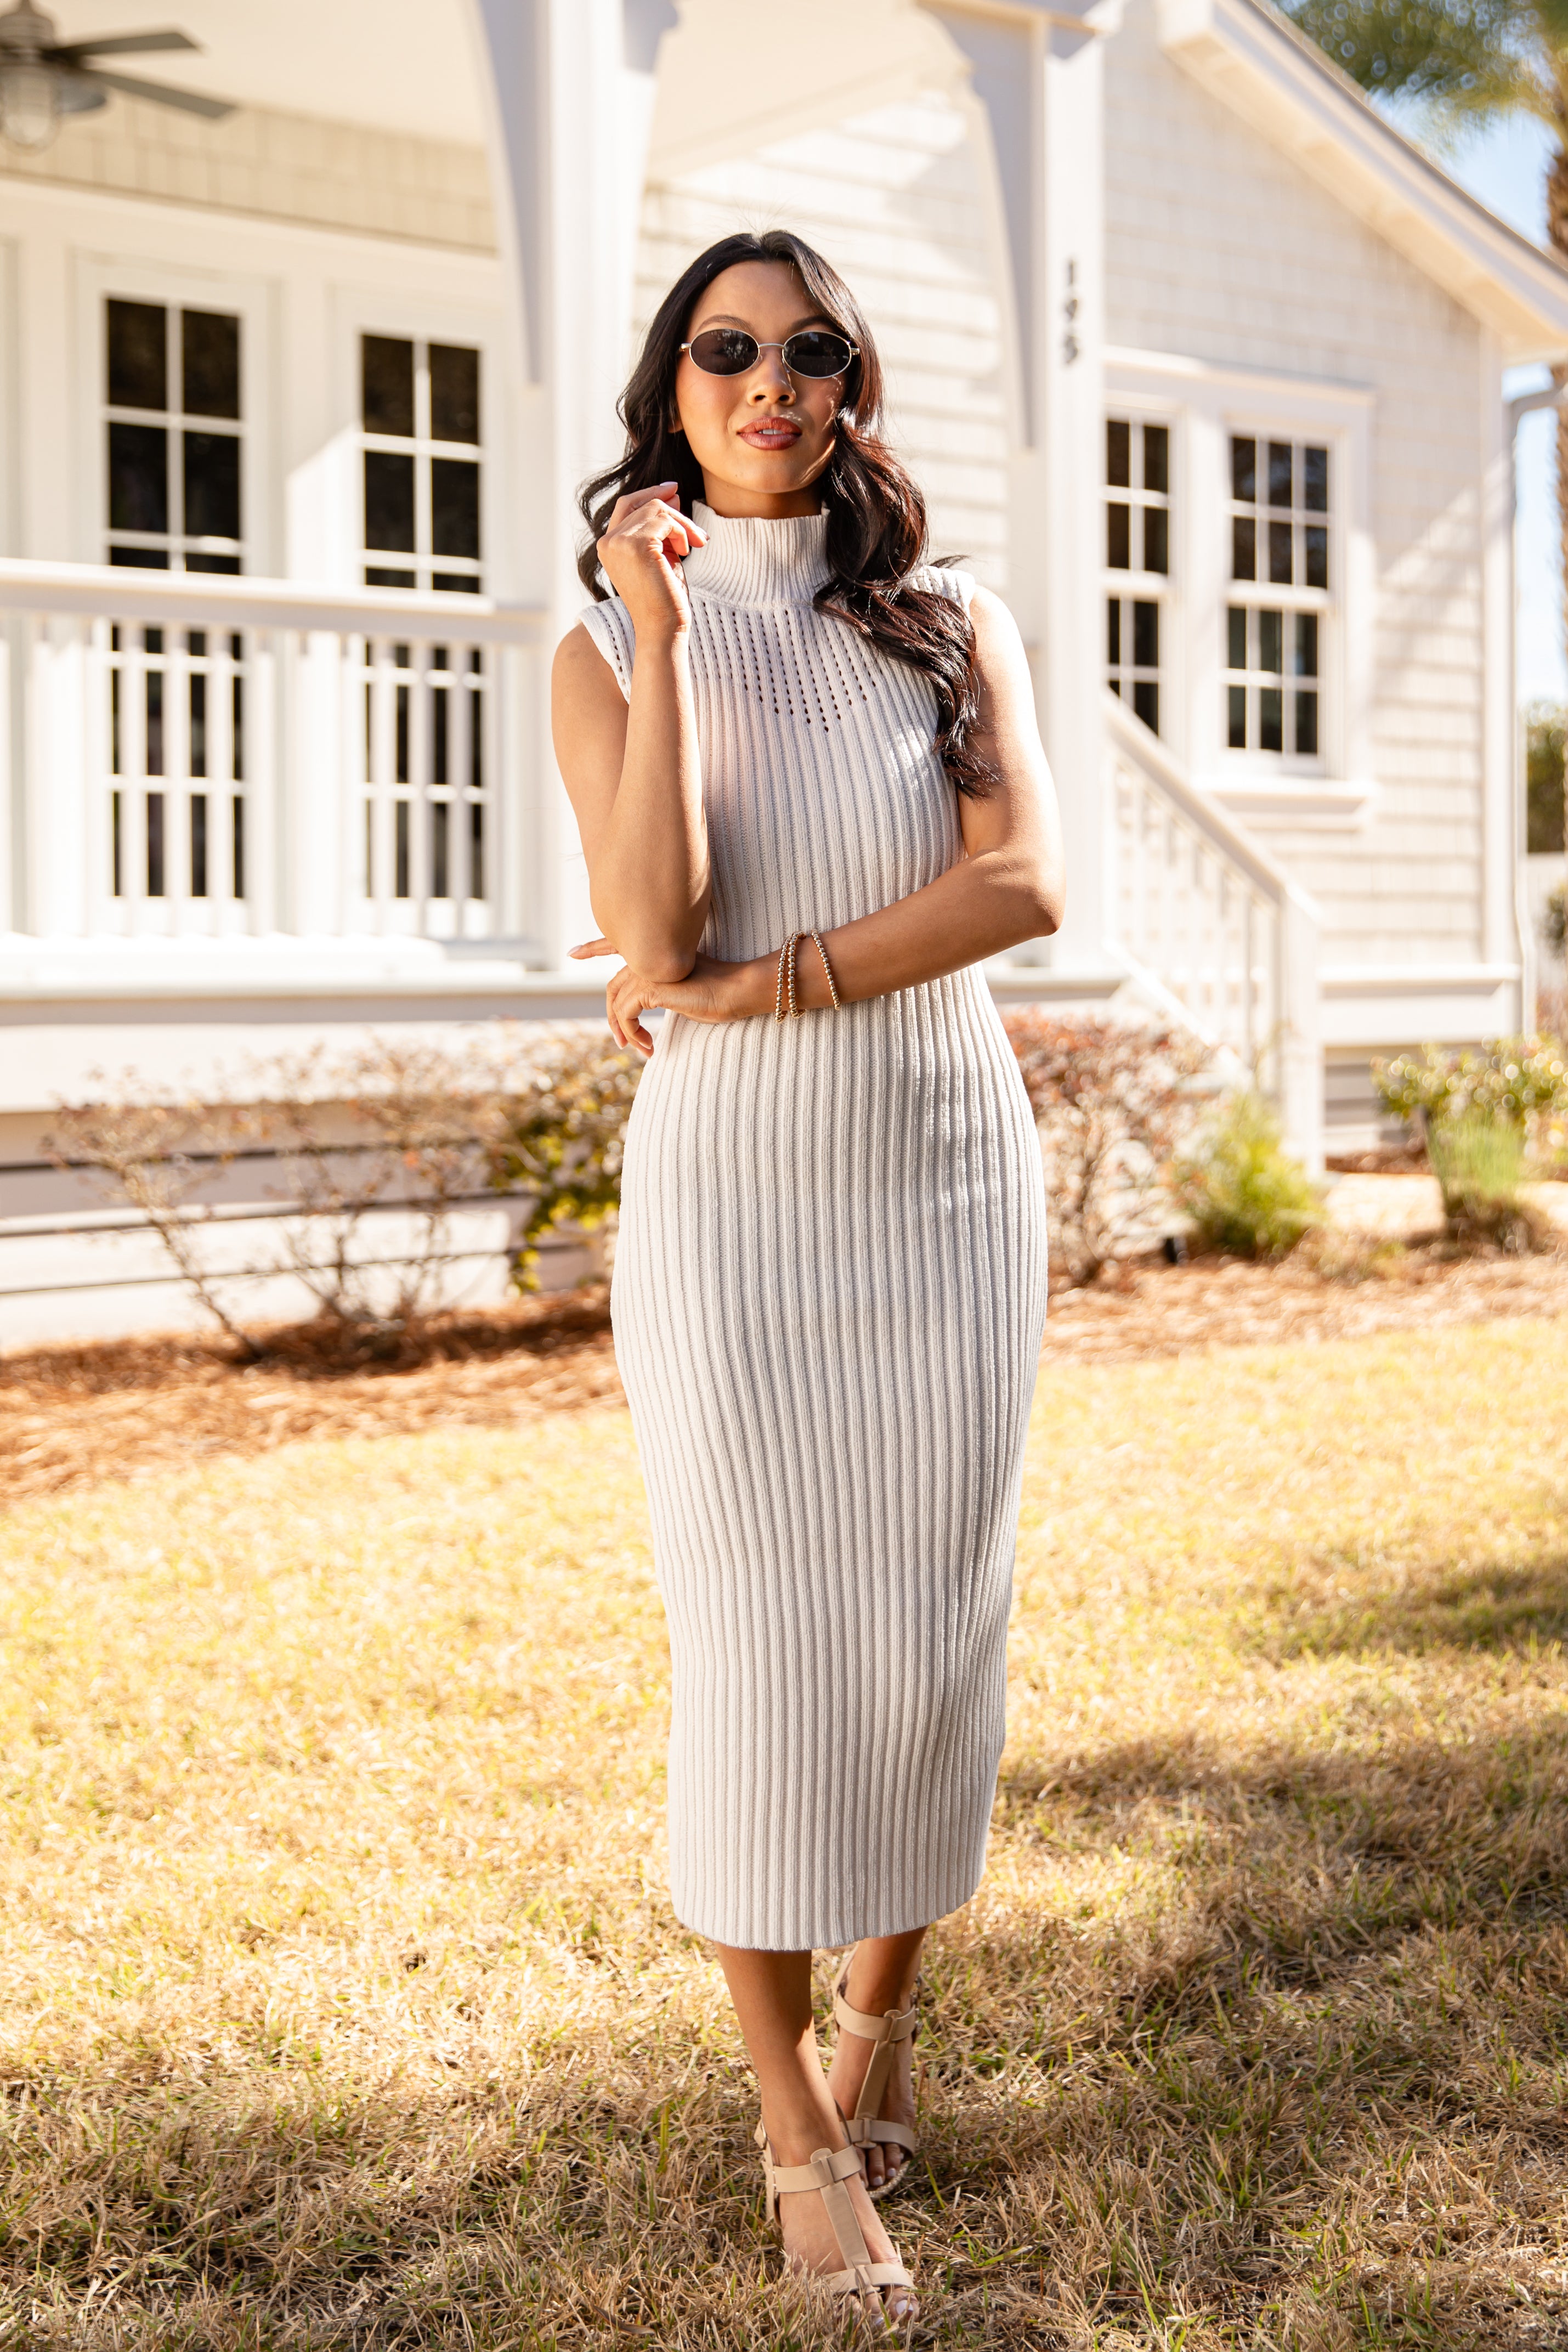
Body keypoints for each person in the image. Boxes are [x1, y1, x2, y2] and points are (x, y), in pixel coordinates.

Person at [551, 229, 1063, 2327]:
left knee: (927, 1618)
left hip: (942, 1161)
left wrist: (771, 980)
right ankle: (789, 2123)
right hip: (732, 1198)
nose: (770, 377)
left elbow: (1021, 884)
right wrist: (667, 641)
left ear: (852, 388)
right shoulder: (593, 649)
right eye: (725, 347)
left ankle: (880, 2027)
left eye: (811, 349)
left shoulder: (948, 626)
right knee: (755, 1626)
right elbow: (649, 928)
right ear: (672, 387)